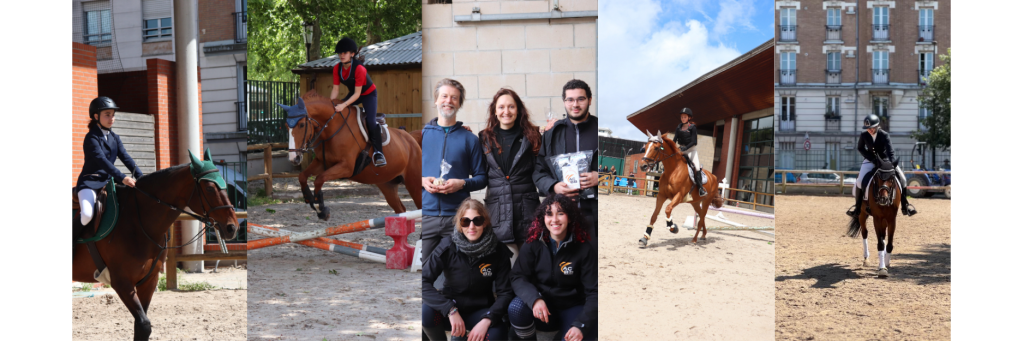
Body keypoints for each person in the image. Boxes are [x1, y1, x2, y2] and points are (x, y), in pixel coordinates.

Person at [508, 195, 597, 341]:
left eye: (560, 213)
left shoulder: (584, 248)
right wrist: (534, 299)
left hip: (572, 308)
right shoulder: (533, 243)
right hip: (542, 308)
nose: (554, 219)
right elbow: (517, 276)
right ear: (543, 218)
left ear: (570, 217)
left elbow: (594, 292)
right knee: (516, 308)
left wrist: (581, 325)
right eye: (549, 214)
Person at [423, 199, 514, 341]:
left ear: (485, 222)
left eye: (477, 220)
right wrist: (450, 309)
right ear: (460, 224)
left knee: (497, 333)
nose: (472, 226)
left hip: (480, 311)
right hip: (450, 309)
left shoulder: (498, 250)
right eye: (465, 221)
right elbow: (423, 282)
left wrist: (487, 319)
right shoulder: (447, 246)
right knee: (426, 312)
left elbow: (506, 293)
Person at [421, 79, 488, 264]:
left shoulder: (470, 139)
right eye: (444, 96)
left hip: (458, 218)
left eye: (454, 98)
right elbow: (408, 173)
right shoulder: (422, 135)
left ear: (459, 104)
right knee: (426, 270)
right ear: (436, 100)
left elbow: (482, 178)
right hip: (426, 216)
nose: (448, 101)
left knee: (457, 271)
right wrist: (421, 180)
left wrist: (462, 184)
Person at [73, 97, 144, 265]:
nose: (111, 118)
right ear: (96, 116)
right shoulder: (91, 138)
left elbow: (126, 158)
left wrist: (142, 178)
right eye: (107, 114)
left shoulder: (114, 137)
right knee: (87, 214)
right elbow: (102, 162)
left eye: (113, 114)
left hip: (107, 184)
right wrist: (123, 177)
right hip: (89, 183)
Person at [533, 80, 599, 240]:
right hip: (561, 217)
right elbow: (538, 172)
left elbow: (616, 170)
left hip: (595, 214)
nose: (575, 104)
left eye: (581, 99)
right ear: (564, 102)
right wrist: (554, 186)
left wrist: (601, 177)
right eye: (570, 99)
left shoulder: (600, 129)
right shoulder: (552, 134)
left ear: (590, 100)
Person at [478, 89, 543, 251]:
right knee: (504, 264)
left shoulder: (533, 136)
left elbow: (542, 170)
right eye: (501, 107)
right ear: (494, 111)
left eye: (511, 107)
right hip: (497, 213)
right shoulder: (484, 138)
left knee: (530, 261)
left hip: (527, 212)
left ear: (519, 110)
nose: (506, 111)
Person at [330, 37, 385, 167]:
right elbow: (335, 89)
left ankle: (379, 153)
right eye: (340, 53)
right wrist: (330, 104)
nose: (342, 55)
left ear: (352, 54)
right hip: (354, 93)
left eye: (345, 52)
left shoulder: (359, 68)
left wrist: (343, 105)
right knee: (337, 112)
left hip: (368, 95)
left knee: (371, 121)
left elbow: (357, 94)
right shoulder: (336, 68)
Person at [848, 115, 917, 217]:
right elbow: (860, 148)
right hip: (870, 160)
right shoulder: (864, 135)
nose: (869, 130)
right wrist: (872, 159)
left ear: (877, 126)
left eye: (871, 128)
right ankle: (857, 208)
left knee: (902, 179)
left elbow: (890, 152)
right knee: (859, 181)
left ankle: (905, 205)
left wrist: (892, 164)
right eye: (867, 128)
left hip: (885, 160)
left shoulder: (884, 135)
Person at [673, 108, 707, 196]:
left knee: (697, 167)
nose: (683, 118)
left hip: (691, 150)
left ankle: (701, 189)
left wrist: (685, 148)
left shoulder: (692, 127)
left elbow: (693, 142)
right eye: (682, 117)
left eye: (685, 117)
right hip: (681, 150)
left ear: (689, 118)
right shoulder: (678, 127)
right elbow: (674, 140)